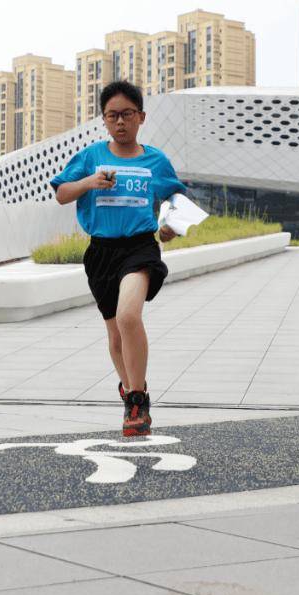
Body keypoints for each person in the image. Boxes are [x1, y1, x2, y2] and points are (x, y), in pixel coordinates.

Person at [50, 81, 186, 437]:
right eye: (112, 116)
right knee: (114, 334)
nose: (120, 122)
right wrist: (89, 183)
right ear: (104, 120)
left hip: (140, 248)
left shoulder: (155, 160)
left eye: (127, 114)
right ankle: (130, 393)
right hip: (101, 252)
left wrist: (170, 228)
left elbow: (175, 202)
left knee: (128, 316)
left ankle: (138, 399)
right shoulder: (92, 157)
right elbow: (62, 193)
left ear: (141, 117)